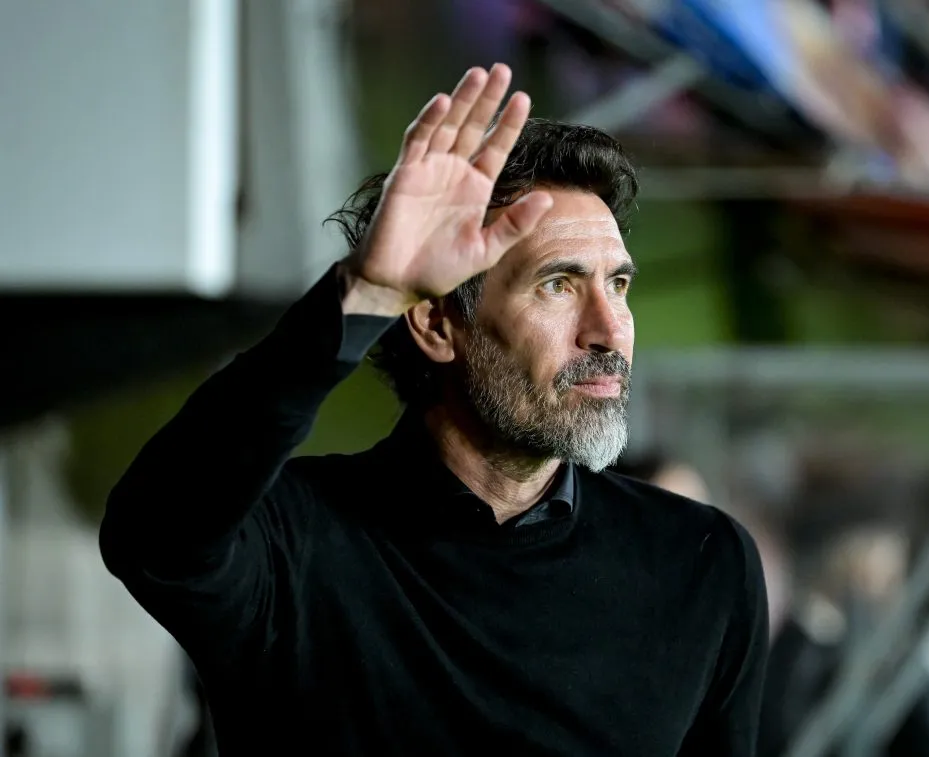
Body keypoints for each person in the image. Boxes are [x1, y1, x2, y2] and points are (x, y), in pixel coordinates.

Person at [99, 64, 768, 756]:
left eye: (618, 283)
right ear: (435, 324)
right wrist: (364, 293)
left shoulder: (702, 562)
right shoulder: (292, 541)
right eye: (559, 284)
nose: (608, 329)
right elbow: (152, 533)